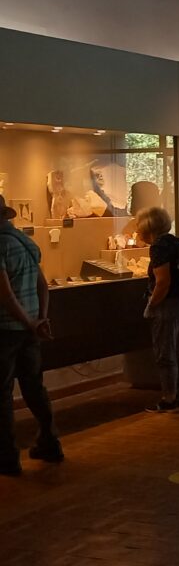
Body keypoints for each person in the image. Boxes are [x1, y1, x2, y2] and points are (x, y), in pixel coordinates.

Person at [0, 194, 62, 476]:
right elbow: (43, 286)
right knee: (34, 387)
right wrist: (39, 320)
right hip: (30, 329)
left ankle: (7, 457)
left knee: (2, 395)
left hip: (5, 330)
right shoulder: (24, 242)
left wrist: (28, 322)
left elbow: (5, 296)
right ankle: (49, 442)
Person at [137, 207, 179, 413]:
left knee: (165, 353)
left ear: (148, 226)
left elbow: (163, 282)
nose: (136, 230)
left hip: (169, 306)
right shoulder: (175, 241)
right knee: (178, 350)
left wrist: (151, 304)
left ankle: (169, 398)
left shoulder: (158, 247)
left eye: (138, 225)